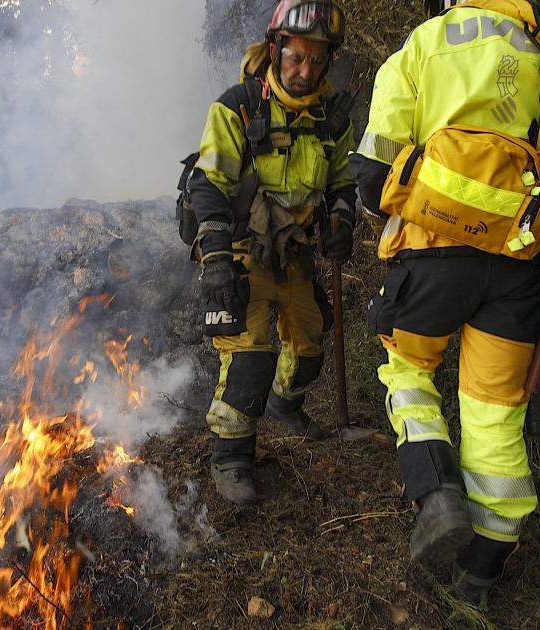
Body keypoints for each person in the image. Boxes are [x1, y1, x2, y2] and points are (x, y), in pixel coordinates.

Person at [351, 0, 540, 606]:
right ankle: (480, 572)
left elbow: (375, 179)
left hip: (432, 256)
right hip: (521, 264)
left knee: (407, 369)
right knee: (493, 412)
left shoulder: (422, 45)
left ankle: (435, 494)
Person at [188, 0, 357, 506]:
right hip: (243, 252)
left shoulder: (331, 119)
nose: (304, 71)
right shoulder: (238, 108)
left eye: (316, 60)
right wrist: (216, 259)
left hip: (296, 254)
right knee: (249, 359)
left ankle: (288, 406)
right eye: (295, 58)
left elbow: (344, 180)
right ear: (275, 49)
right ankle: (232, 457)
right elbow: (207, 185)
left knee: (309, 347)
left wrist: (343, 220)